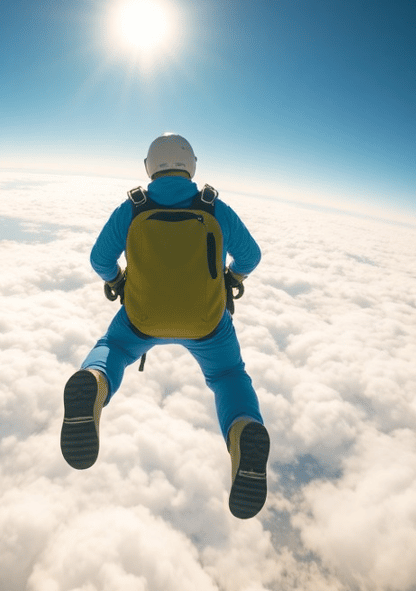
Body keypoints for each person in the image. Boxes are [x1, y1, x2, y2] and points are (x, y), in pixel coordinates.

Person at [60, 133, 270, 519]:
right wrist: (231, 277)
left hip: (142, 317)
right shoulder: (213, 206)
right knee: (227, 376)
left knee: (115, 348)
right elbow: (251, 256)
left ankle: (94, 382)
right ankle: (243, 431)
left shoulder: (134, 207)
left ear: (148, 167)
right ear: (191, 165)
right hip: (208, 323)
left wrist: (117, 280)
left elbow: (99, 259)